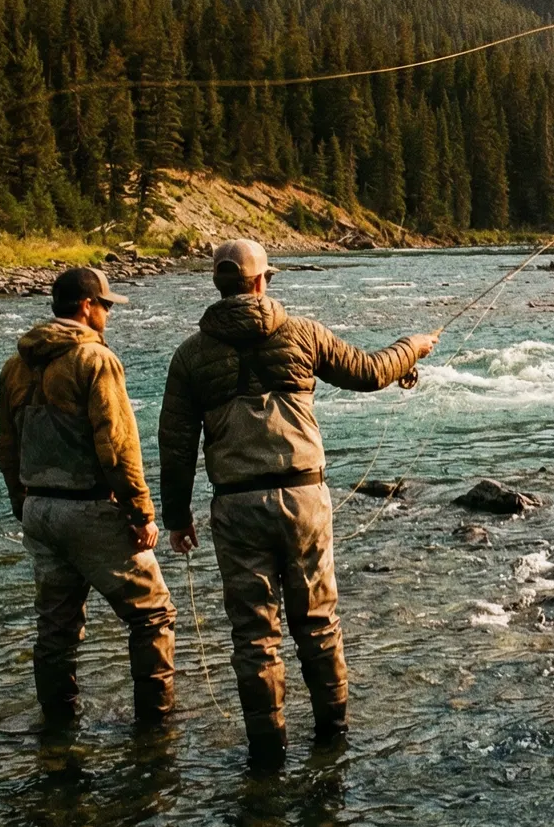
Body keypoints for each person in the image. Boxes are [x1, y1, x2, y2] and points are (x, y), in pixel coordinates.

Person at [158, 238, 437, 766]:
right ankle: (333, 739)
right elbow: (369, 372)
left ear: (218, 285)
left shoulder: (190, 356)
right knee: (318, 622)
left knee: (254, 637)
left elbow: (174, 444)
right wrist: (412, 347)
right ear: (264, 281)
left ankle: (268, 753)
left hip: (235, 507)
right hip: (304, 499)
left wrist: (176, 518)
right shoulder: (303, 333)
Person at [0, 266, 175, 728]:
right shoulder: (95, 360)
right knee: (153, 615)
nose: (109, 313)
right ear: (85, 307)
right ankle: (155, 730)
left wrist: (23, 503)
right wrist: (141, 512)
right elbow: (116, 444)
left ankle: (58, 729)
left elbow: (6, 446)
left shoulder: (16, 365)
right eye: (106, 305)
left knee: (56, 629)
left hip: (38, 508)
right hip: (88, 507)